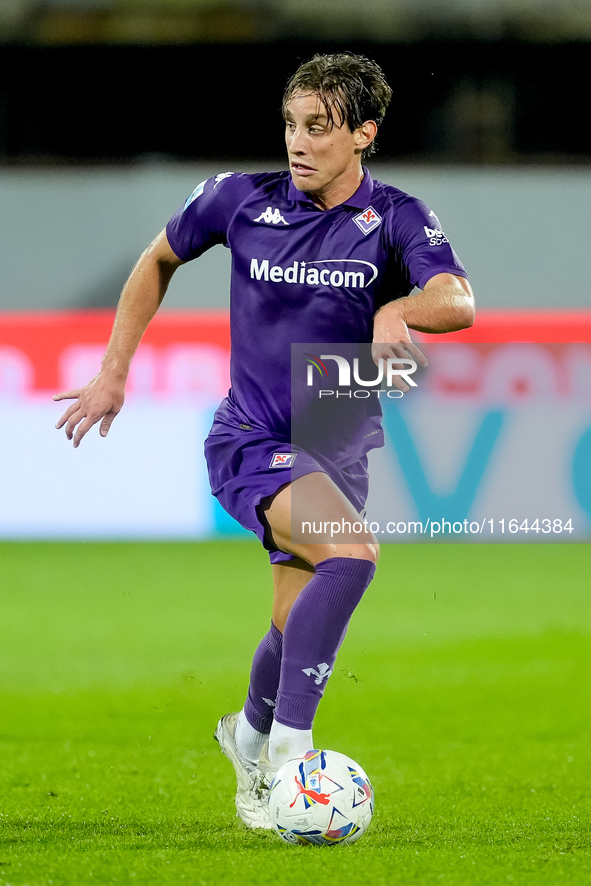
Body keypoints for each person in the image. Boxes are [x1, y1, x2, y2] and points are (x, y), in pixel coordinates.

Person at [54, 52, 475, 830]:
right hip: (251, 437)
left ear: (364, 134)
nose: (297, 140)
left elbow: (456, 299)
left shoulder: (396, 218)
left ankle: (245, 735)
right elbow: (156, 259)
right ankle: (289, 754)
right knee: (351, 556)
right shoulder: (238, 200)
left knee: (291, 620)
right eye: (290, 123)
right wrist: (113, 371)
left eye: (318, 126)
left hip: (338, 434)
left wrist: (398, 313)